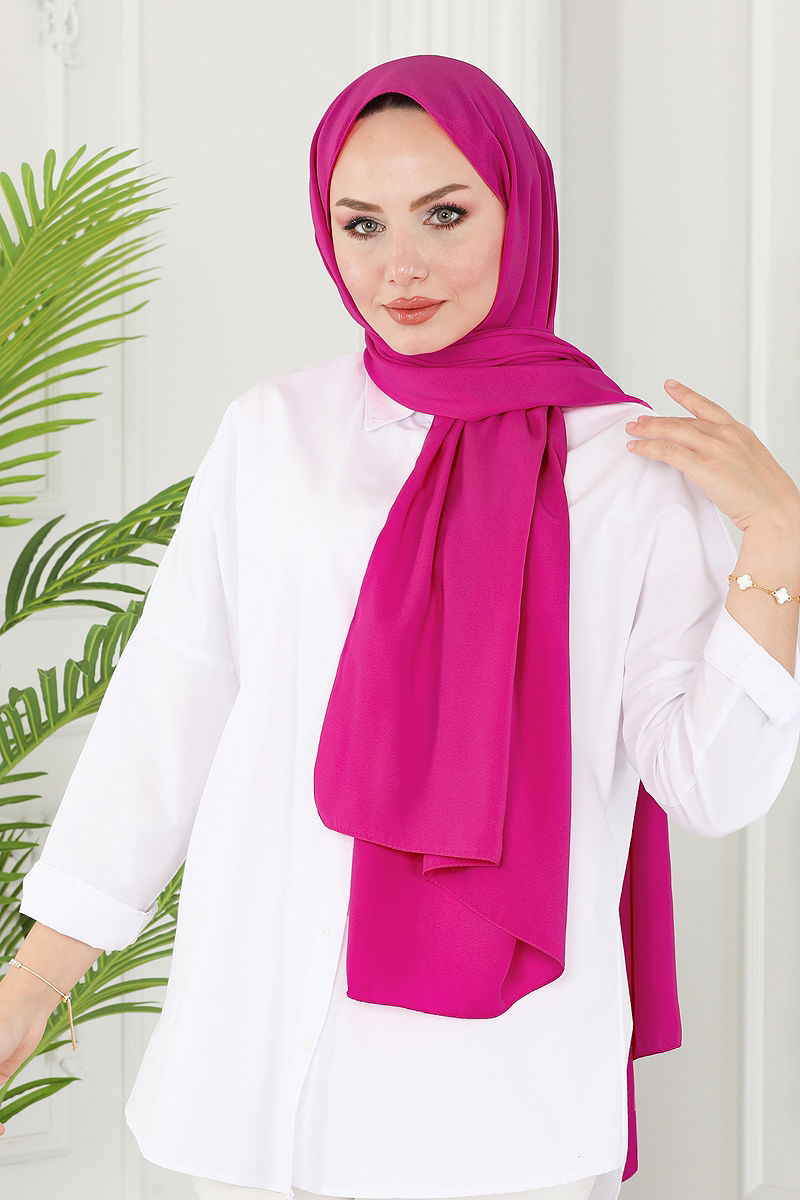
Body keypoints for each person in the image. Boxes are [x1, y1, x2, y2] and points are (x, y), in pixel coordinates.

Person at [2, 54, 800, 1200]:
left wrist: (774, 545)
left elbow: (709, 785)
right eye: (361, 223)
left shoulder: (624, 466)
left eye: (444, 213)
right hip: (267, 1048)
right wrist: (33, 982)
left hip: (494, 1083)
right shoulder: (274, 434)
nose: (399, 266)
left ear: (519, 213)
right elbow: (170, 710)